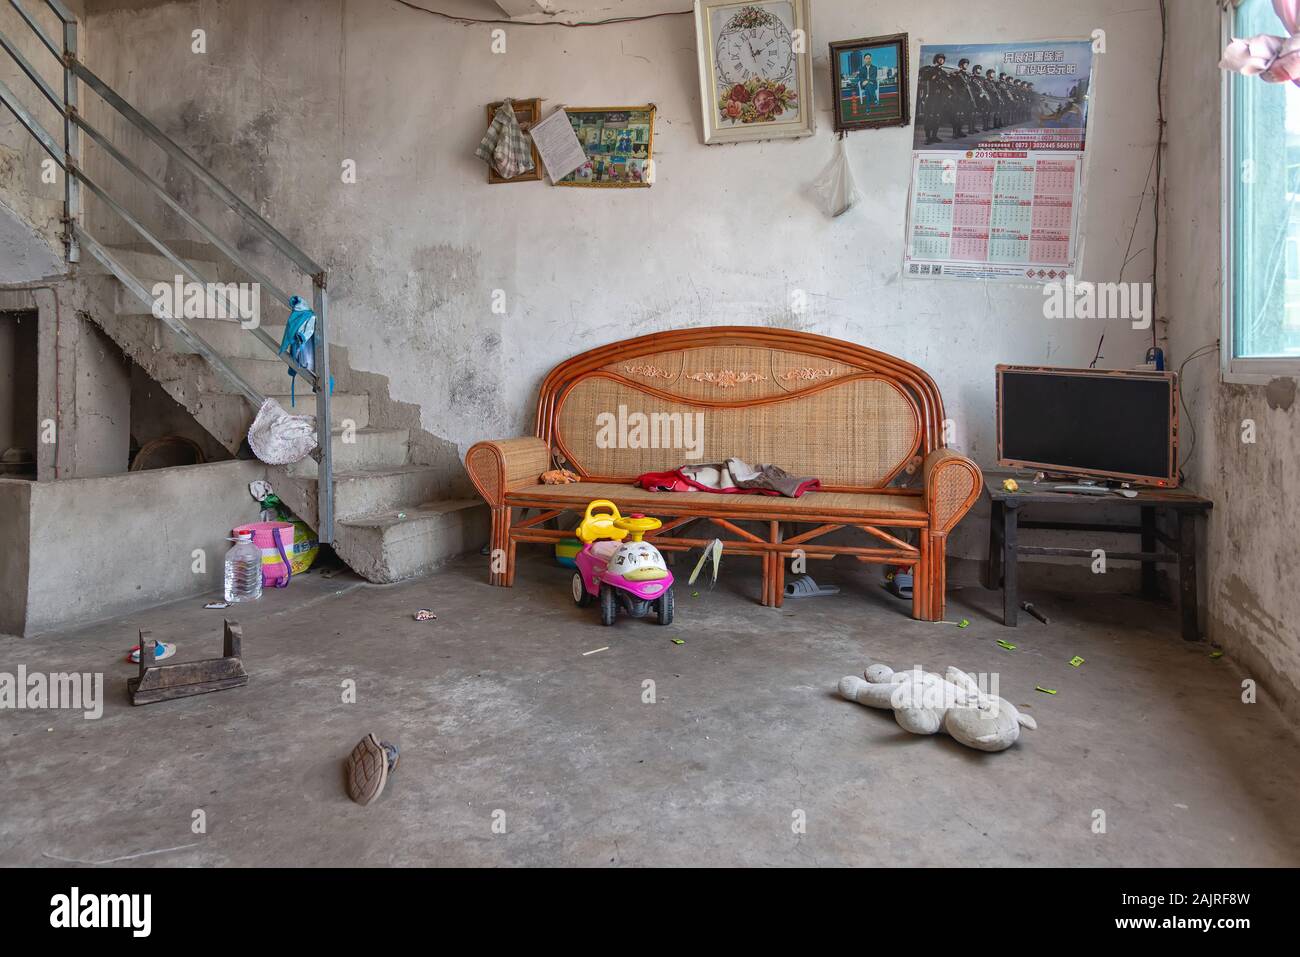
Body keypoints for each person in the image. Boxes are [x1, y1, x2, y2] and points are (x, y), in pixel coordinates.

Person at [917, 52, 951, 144]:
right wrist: (932, 77)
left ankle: (935, 136)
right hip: (930, 97)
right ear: (936, 59)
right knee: (929, 117)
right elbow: (922, 78)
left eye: (943, 59)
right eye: (940, 58)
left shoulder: (943, 72)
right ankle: (928, 138)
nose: (942, 60)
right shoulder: (929, 69)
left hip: (940, 98)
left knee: (937, 117)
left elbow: (947, 84)